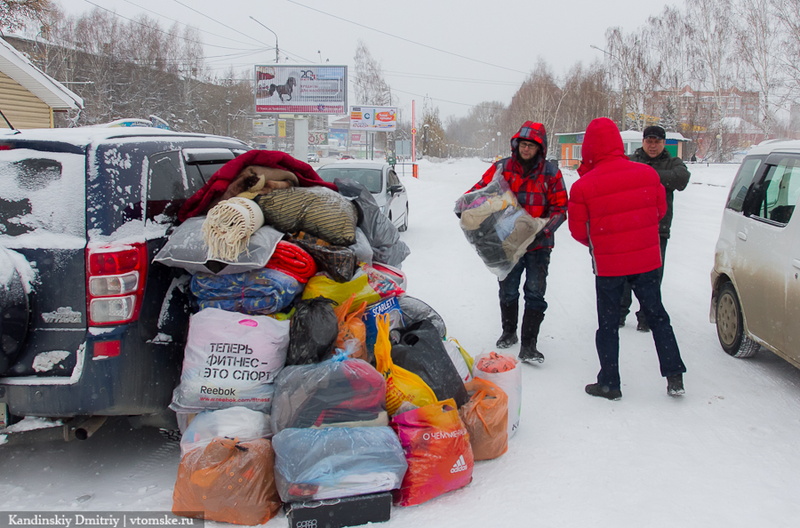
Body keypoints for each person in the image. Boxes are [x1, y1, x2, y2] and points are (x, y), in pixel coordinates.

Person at [568, 117, 686, 399]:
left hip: (609, 266)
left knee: (608, 325)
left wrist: (602, 243)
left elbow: (577, 231)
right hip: (647, 261)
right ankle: (674, 375)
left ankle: (610, 382)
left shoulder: (584, 186)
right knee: (658, 316)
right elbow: (659, 212)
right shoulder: (646, 174)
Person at [464, 121, 567, 363]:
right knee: (508, 290)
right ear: (516, 144)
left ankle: (529, 345)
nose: (526, 149)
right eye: (523, 144)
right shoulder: (502, 168)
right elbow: (480, 190)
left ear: (539, 148)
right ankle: (509, 332)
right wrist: (467, 206)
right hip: (506, 244)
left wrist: (543, 231)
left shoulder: (551, 173)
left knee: (534, 292)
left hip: (538, 245)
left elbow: (561, 207)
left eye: (531, 145)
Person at [620, 125, 690, 332]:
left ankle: (646, 316)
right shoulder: (630, 160)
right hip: (630, 227)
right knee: (624, 273)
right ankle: (619, 312)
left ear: (663, 143)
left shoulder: (673, 163)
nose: (652, 146)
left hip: (658, 229)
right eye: (649, 141)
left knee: (653, 276)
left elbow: (681, 179)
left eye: (657, 142)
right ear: (643, 142)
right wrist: (656, 177)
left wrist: (643, 175)